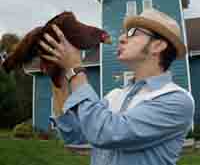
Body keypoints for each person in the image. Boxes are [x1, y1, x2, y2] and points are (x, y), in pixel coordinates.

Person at [39, 9, 194, 165]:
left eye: (133, 32)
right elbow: (75, 135)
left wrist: (75, 69)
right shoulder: (114, 95)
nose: (121, 38)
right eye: (123, 32)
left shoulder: (176, 100)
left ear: (157, 46)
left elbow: (106, 133)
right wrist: (58, 76)